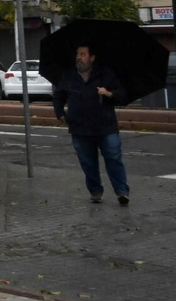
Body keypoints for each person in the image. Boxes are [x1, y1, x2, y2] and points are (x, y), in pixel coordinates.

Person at [52, 43, 130, 205]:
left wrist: (109, 93)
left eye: (82, 54)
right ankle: (95, 191)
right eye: (77, 54)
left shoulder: (105, 75)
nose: (78, 57)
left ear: (92, 58)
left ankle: (122, 191)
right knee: (87, 162)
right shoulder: (69, 76)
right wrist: (60, 113)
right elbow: (58, 96)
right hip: (79, 127)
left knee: (113, 158)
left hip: (105, 126)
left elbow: (122, 95)